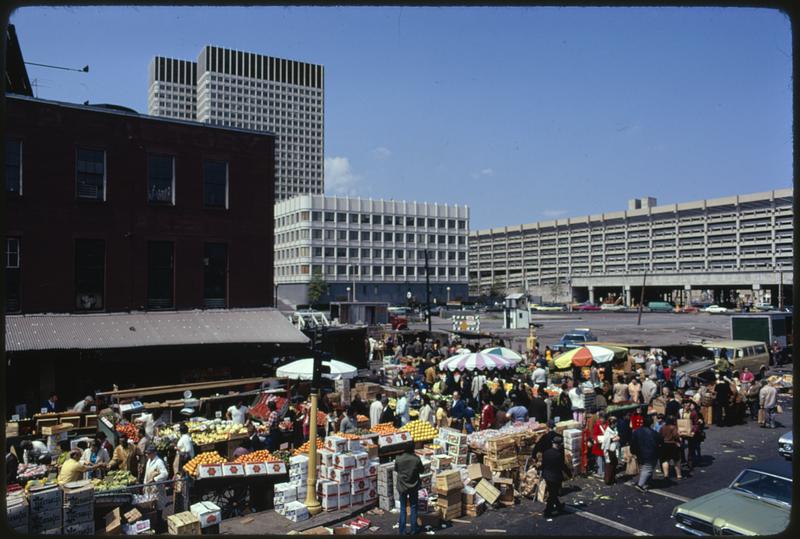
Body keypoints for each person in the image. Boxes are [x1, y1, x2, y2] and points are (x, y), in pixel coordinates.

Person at [395, 442, 423, 535]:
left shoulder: (398, 459)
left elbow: (396, 469)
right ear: (413, 449)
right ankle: (413, 529)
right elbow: (421, 470)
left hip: (402, 486)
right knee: (413, 507)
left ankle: (402, 531)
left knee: (403, 508)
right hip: (413, 486)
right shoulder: (416, 459)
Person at [630, 414, 662, 492]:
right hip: (651, 453)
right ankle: (640, 485)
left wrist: (633, 451)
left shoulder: (637, 431)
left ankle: (646, 482)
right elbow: (659, 443)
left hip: (640, 452)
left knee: (644, 468)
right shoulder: (654, 433)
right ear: (651, 423)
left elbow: (633, 442)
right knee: (647, 468)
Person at [541, 436, 571, 518]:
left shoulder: (546, 452)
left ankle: (558, 506)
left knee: (552, 492)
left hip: (546, 475)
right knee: (553, 495)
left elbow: (543, 465)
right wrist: (569, 474)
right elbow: (562, 466)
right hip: (555, 477)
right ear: (559, 445)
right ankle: (547, 512)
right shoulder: (558, 455)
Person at [143, 445, 169, 533]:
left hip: (156, 488)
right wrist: (144, 484)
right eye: (147, 453)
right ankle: (155, 522)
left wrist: (155, 479)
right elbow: (147, 474)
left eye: (149, 453)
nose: (147, 455)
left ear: (154, 453)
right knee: (151, 505)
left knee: (158, 505)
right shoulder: (149, 460)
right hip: (149, 487)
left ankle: (159, 524)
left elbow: (165, 474)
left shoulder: (159, 462)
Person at [659, 415, 683, 480]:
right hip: (673, 444)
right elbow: (676, 436)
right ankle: (678, 475)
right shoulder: (673, 427)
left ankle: (666, 475)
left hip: (664, 444)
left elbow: (660, 435)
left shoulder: (663, 427)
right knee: (677, 460)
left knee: (665, 460)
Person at [601, 416, 620, 485]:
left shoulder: (615, 429)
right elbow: (606, 442)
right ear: (612, 423)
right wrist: (613, 439)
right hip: (609, 450)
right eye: (615, 423)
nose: (616, 424)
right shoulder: (607, 431)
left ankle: (613, 479)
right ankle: (608, 480)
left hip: (615, 449)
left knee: (614, 465)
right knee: (609, 465)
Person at [591, 411, 608, 478]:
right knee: (599, 458)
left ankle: (604, 471)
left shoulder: (607, 424)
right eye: (601, 418)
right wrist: (598, 439)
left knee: (605, 458)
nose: (601, 420)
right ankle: (600, 472)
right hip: (599, 445)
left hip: (605, 444)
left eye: (603, 418)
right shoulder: (597, 425)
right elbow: (594, 434)